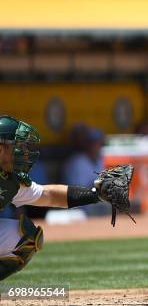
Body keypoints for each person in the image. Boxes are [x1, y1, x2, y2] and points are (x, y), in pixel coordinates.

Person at [0, 116, 116, 280]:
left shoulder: (9, 179)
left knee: (28, 236)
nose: (24, 152)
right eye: (17, 147)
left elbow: (48, 195)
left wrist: (97, 195)